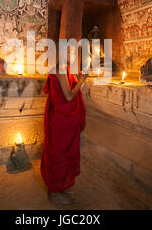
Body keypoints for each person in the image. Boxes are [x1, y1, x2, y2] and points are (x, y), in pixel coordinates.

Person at [41, 48, 88, 205]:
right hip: (61, 121)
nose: (73, 55)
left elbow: (65, 92)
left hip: (64, 120)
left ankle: (60, 188)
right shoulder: (60, 68)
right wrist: (81, 81)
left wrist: (77, 78)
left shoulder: (65, 68)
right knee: (59, 155)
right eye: (70, 52)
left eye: (74, 53)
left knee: (64, 154)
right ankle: (54, 192)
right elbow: (68, 97)